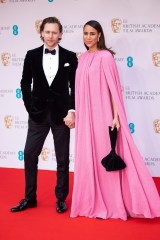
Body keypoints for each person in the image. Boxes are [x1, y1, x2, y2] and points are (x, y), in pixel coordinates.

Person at [70, 20, 160, 220]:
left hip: (103, 113)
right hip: (86, 116)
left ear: (99, 35)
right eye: (85, 33)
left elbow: (114, 88)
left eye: (92, 33)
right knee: (88, 155)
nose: (88, 37)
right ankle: (89, 202)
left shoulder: (105, 57)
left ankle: (112, 202)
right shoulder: (82, 58)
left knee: (105, 153)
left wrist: (116, 116)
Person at [10, 17, 77, 213]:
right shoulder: (31, 55)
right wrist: (30, 107)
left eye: (54, 32)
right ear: (41, 33)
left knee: (63, 158)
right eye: (47, 32)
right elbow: (24, 83)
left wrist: (72, 111)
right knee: (30, 155)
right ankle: (30, 198)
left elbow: (75, 86)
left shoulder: (70, 57)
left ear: (60, 34)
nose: (50, 36)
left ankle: (60, 199)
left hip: (62, 115)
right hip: (37, 115)